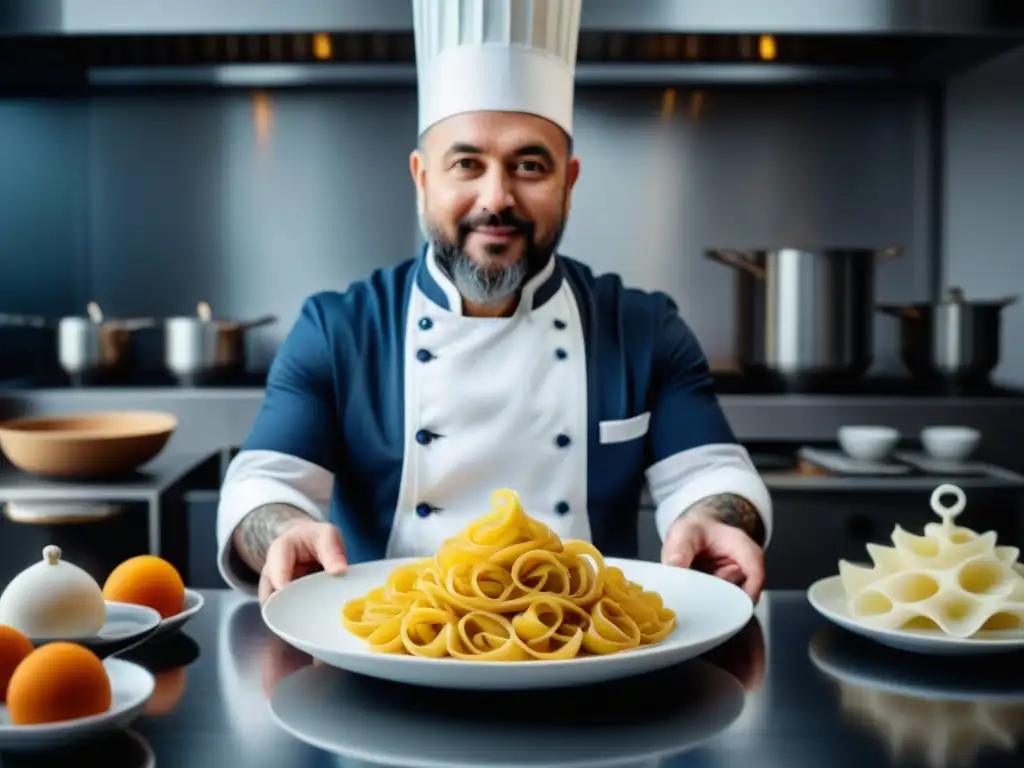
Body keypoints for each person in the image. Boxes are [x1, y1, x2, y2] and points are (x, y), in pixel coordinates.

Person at [215, 0, 774, 606]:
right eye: (467, 163)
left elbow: (708, 474)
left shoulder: (641, 327)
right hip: (386, 657)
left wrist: (716, 517)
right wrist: (286, 528)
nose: (497, 197)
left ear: (569, 180)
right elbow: (265, 481)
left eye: (529, 165)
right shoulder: (340, 328)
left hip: (593, 661)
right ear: (423, 178)